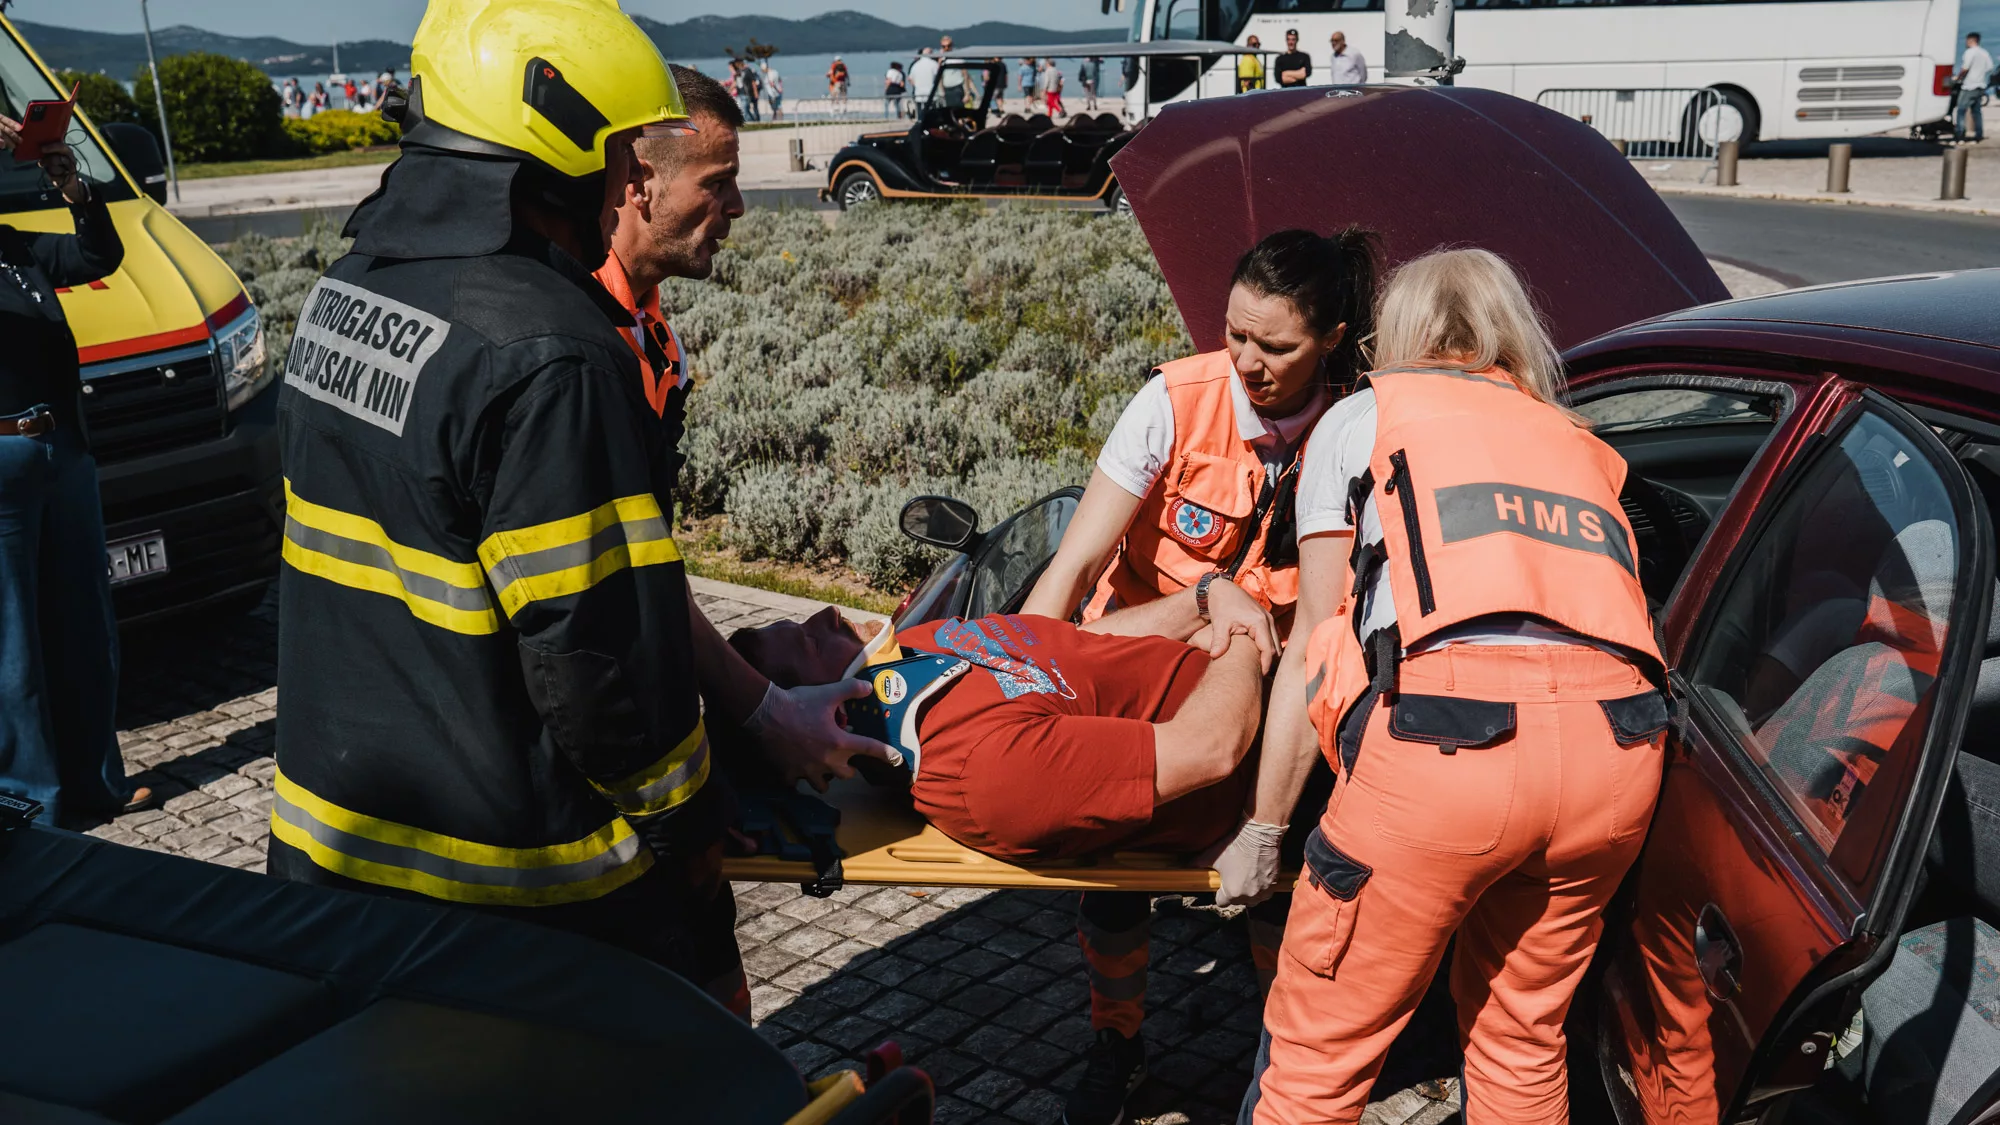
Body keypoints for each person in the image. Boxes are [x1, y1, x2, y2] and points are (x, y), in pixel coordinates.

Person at [267, 0, 889, 1020]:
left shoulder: (346, 292)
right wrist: (690, 826)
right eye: (616, 155)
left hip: (329, 852)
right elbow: (596, 654)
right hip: (511, 898)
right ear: (565, 155)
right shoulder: (550, 353)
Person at [1239, 248, 1669, 1124]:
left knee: (1319, 1055)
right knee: (1523, 1041)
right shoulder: (1577, 439)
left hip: (1444, 748)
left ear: (1394, 331)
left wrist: (1264, 826)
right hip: (1618, 752)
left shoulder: (1363, 416)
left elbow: (1315, 638)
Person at [1021, 228, 1379, 1125]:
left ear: (1332, 339)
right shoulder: (1174, 402)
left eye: (1276, 346)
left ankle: (1279, 1056)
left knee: (1282, 881)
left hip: (1276, 701)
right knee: (1115, 881)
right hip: (1141, 678)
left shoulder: (1356, 427)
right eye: (1235, 334)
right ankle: (1117, 1043)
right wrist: (1017, 680)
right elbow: (1074, 565)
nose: (1247, 362)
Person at [0, 125, 149, 830]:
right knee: (14, 646)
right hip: (5, 460)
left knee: (85, 625)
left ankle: (96, 783)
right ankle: (33, 808)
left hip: (63, 450)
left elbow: (98, 254)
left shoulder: (16, 247)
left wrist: (73, 188)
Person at [1957, 32, 1992, 142]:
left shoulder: (1970, 52)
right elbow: (1990, 67)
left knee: (1961, 110)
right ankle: (1978, 134)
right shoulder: (1984, 52)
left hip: (1969, 85)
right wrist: (1980, 73)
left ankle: (1960, 135)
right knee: (1977, 111)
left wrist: (1958, 77)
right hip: (1981, 84)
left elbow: (1965, 68)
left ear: (1970, 40)